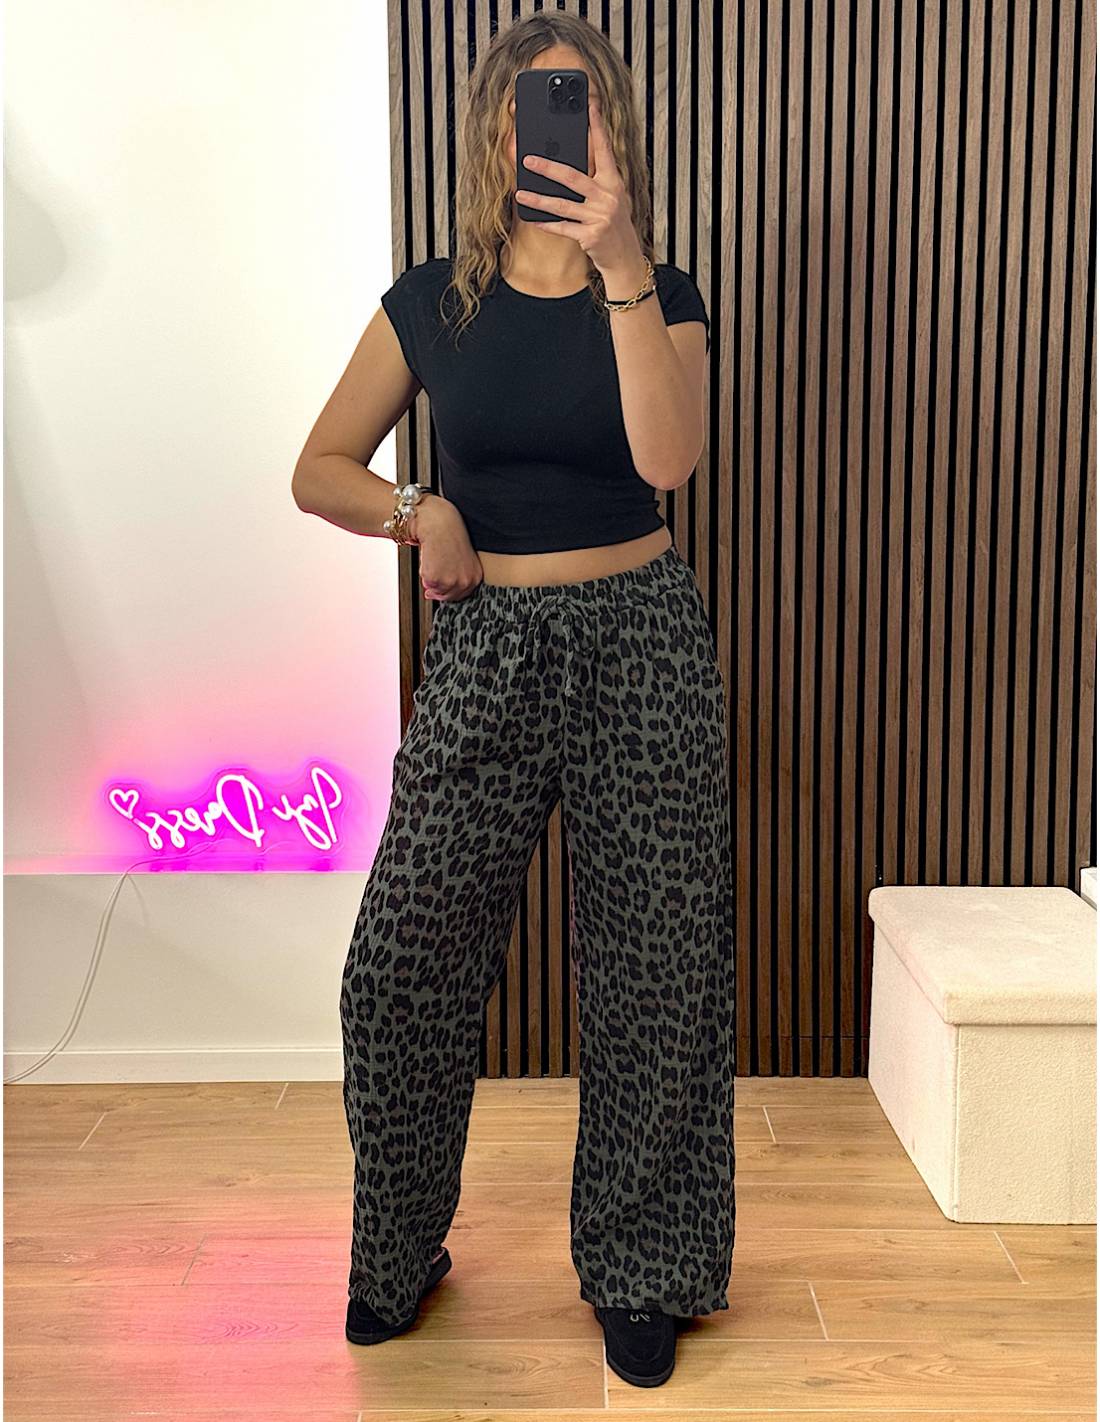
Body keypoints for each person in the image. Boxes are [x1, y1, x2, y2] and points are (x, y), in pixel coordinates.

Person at [292, 12, 735, 1392]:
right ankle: (396, 1250)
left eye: (581, 103)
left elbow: (668, 464)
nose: (559, 125)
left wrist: (623, 268)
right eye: (537, 102)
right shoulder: (435, 301)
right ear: (496, 125)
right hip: (487, 647)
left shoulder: (665, 291)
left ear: (614, 128)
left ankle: (644, 1269)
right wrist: (419, 512)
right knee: (401, 965)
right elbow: (320, 466)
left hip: (641, 639)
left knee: (656, 971)